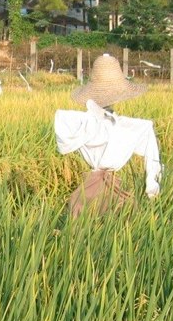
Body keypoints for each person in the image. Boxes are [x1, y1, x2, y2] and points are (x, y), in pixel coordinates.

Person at [54, 53, 162, 218]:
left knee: (84, 213)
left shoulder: (81, 123)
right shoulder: (128, 126)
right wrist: (152, 189)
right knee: (120, 217)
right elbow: (153, 157)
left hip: (94, 186)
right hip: (105, 184)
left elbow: (63, 140)